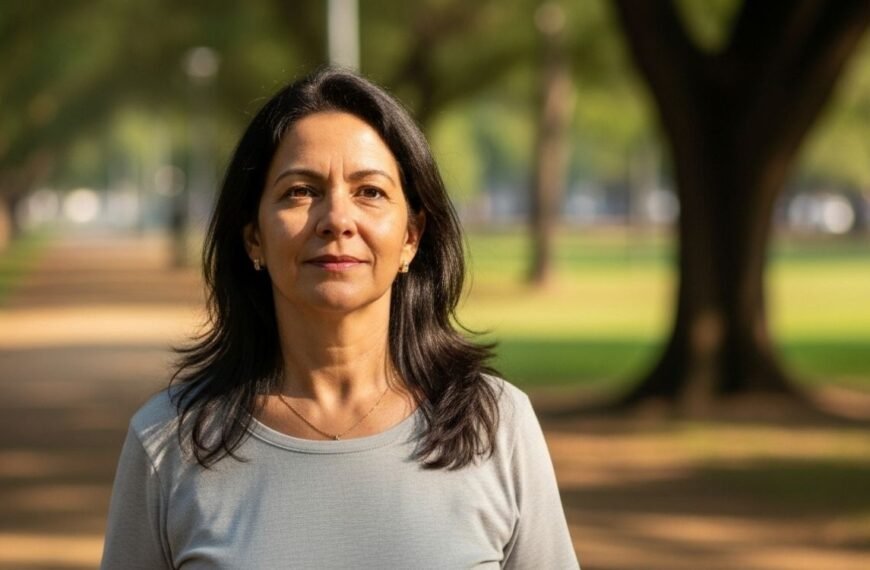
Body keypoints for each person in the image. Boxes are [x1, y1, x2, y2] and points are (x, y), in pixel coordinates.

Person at [101, 68, 579, 569]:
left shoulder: (495, 424)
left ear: (412, 237)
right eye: (299, 191)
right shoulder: (169, 440)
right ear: (253, 237)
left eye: (369, 191)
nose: (336, 220)